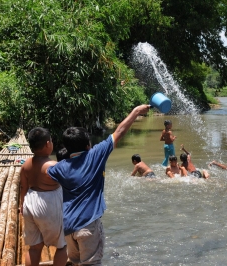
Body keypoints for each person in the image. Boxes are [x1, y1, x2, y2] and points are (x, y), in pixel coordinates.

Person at [47, 104, 150, 265]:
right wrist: (136, 111)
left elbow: (43, 173)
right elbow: (120, 132)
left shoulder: (58, 167)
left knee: (74, 261)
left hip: (67, 227)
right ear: (88, 145)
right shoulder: (95, 155)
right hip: (88, 225)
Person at [20, 127, 67, 266]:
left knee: (34, 248)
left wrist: (21, 205)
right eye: (51, 141)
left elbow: (23, 187)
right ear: (48, 144)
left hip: (30, 202)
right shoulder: (53, 166)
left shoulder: (26, 164)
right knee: (62, 245)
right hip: (48, 204)